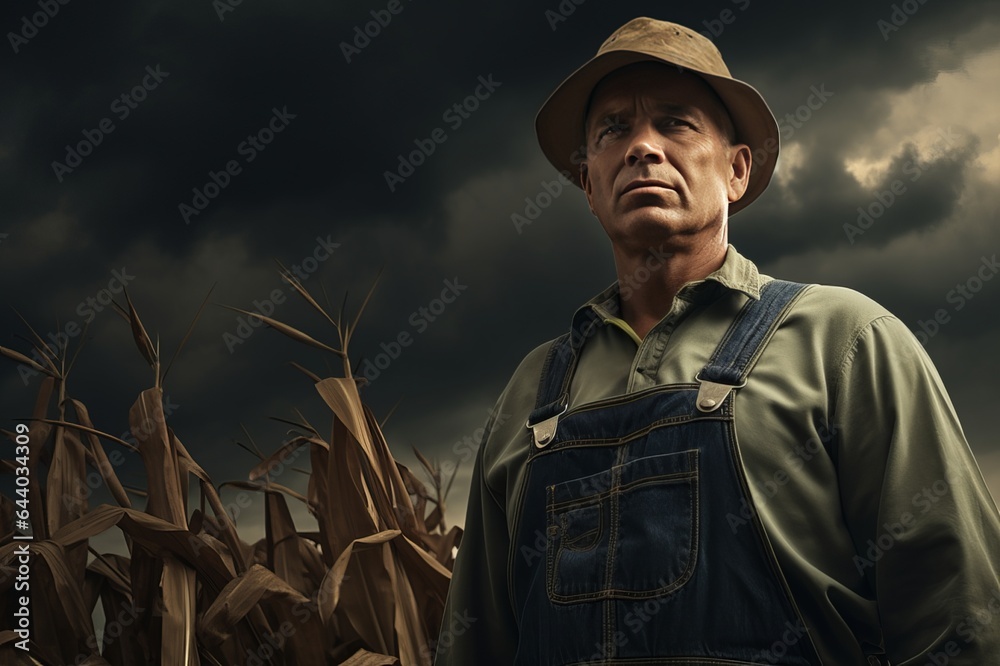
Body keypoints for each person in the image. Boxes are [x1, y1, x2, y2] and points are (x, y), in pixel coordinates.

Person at [433, 17, 1000, 665]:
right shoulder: (529, 395)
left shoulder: (846, 342)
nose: (642, 147)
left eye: (676, 122)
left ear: (736, 170)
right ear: (589, 183)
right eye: (614, 128)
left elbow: (961, 624)